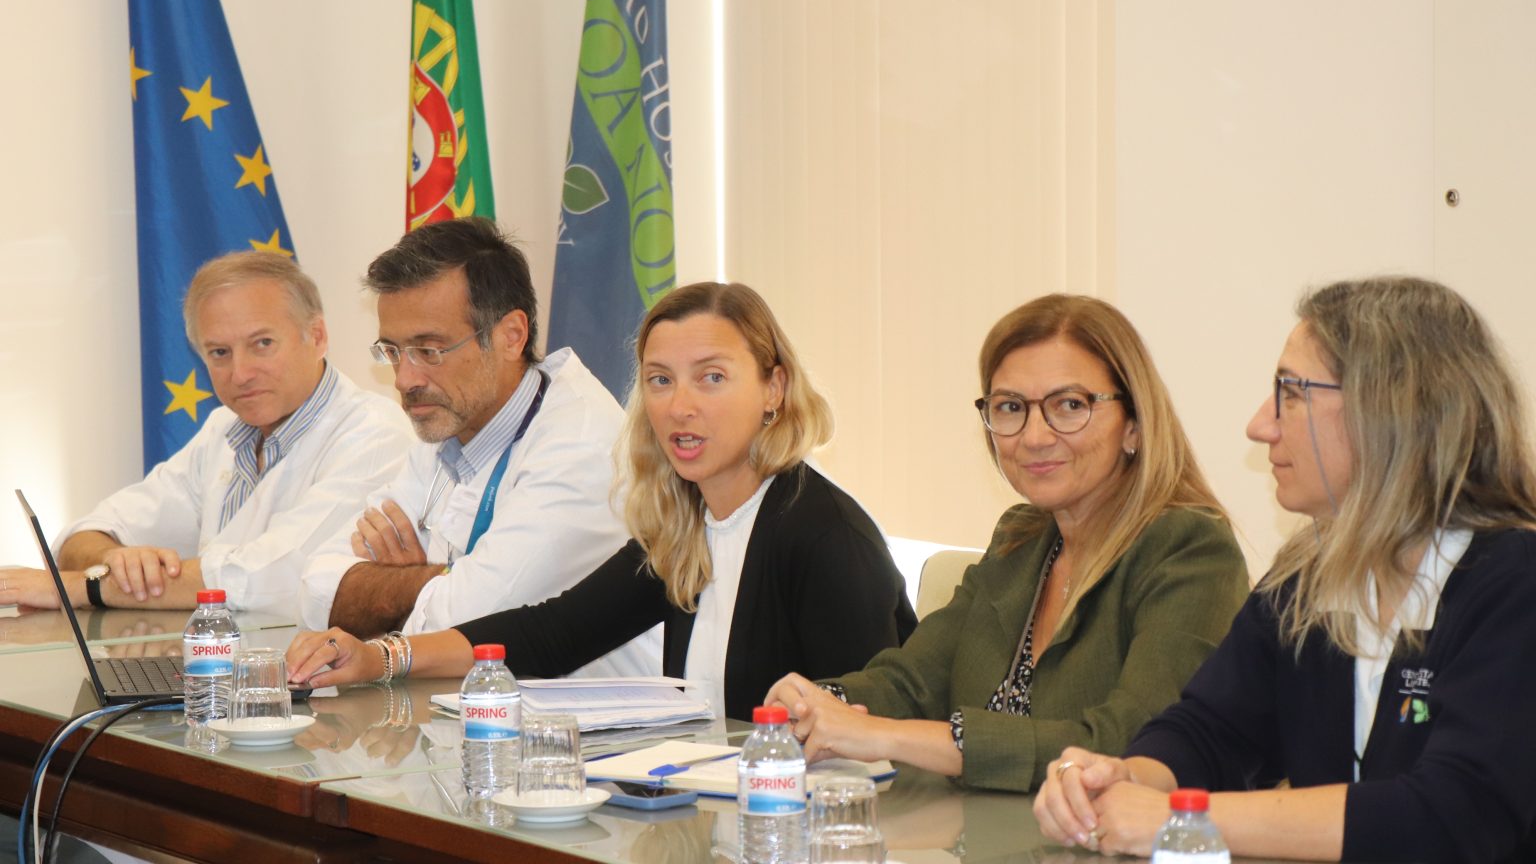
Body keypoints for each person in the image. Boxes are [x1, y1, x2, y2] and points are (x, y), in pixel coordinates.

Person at [1034, 277, 1536, 862]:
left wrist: (1183, 819)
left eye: (1291, 393)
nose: (1260, 425)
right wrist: (1125, 779)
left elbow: (1452, 818)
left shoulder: (1515, 582)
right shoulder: (1306, 579)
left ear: (1393, 409)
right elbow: (1209, 731)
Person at [289, 281, 917, 720]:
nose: (680, 406)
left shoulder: (825, 536)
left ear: (773, 387)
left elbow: (870, 727)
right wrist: (379, 657)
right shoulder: (686, 522)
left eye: (712, 377)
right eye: (660, 380)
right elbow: (554, 632)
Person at [766, 294, 1249, 793]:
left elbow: (1134, 740)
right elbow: (913, 680)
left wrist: (887, 737)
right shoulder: (1022, 537)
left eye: (1070, 405)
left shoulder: (1190, 547)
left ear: (1134, 424)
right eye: (1011, 407)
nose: (1034, 436)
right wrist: (820, 704)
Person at [296, 217, 658, 677]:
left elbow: (466, 628)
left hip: (586, 720)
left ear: (511, 336)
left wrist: (404, 588)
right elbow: (315, 589)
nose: (405, 379)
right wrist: (439, 581)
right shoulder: (447, 423)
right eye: (393, 351)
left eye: (429, 350)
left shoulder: (581, 444)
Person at [0, 251, 412, 616]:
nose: (241, 373)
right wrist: (114, 563)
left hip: (322, 674)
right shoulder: (224, 429)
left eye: (262, 343)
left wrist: (87, 587)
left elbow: (270, 577)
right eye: (219, 353)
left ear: (317, 337)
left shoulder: (373, 434)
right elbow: (88, 532)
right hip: (219, 664)